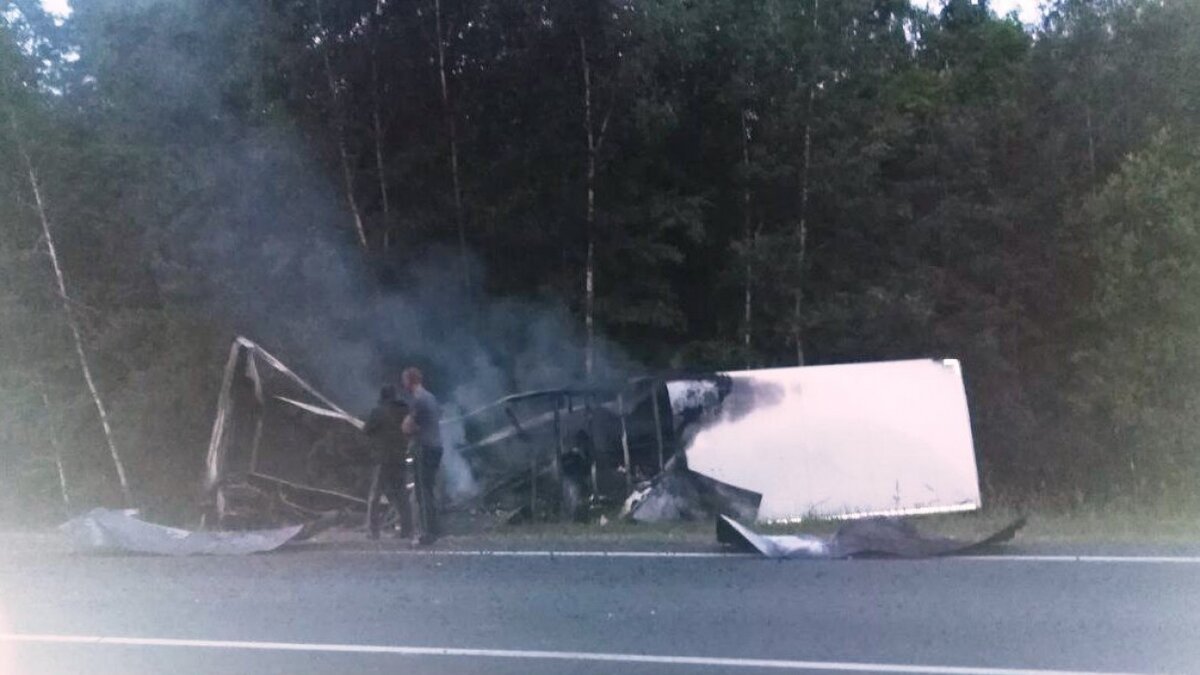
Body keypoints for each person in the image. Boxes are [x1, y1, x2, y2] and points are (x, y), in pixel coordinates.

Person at [362, 385, 414, 540]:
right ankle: (407, 529)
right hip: (399, 457)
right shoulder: (404, 411)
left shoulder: (378, 412)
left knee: (375, 495)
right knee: (401, 494)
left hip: (382, 458)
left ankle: (373, 531)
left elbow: (366, 430)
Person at [401, 367, 442, 545]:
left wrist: (409, 426)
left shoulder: (418, 400)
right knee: (429, 489)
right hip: (436, 447)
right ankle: (433, 529)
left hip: (423, 448)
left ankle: (426, 533)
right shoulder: (431, 397)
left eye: (404, 380)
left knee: (422, 491)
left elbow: (407, 427)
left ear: (409, 381)